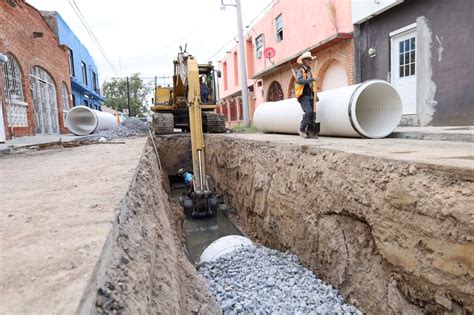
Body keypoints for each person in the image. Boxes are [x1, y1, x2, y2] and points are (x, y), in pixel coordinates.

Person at [295, 51, 317, 138]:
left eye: (310, 60)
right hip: (303, 95)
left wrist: (315, 95)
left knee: (313, 115)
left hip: (310, 95)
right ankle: (301, 129)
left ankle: (310, 132)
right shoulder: (301, 70)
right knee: (308, 112)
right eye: (308, 60)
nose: (310, 61)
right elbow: (299, 81)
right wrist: (311, 79)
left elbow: (312, 85)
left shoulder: (310, 71)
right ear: (304, 60)